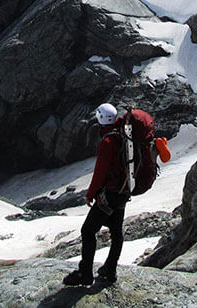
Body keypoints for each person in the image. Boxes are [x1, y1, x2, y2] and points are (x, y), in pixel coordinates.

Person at [63, 103, 132, 286]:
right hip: (123, 191)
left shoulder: (108, 142)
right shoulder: (122, 133)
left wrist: (90, 194)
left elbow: (100, 172)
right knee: (116, 232)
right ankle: (110, 270)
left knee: (88, 231)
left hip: (109, 194)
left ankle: (85, 273)